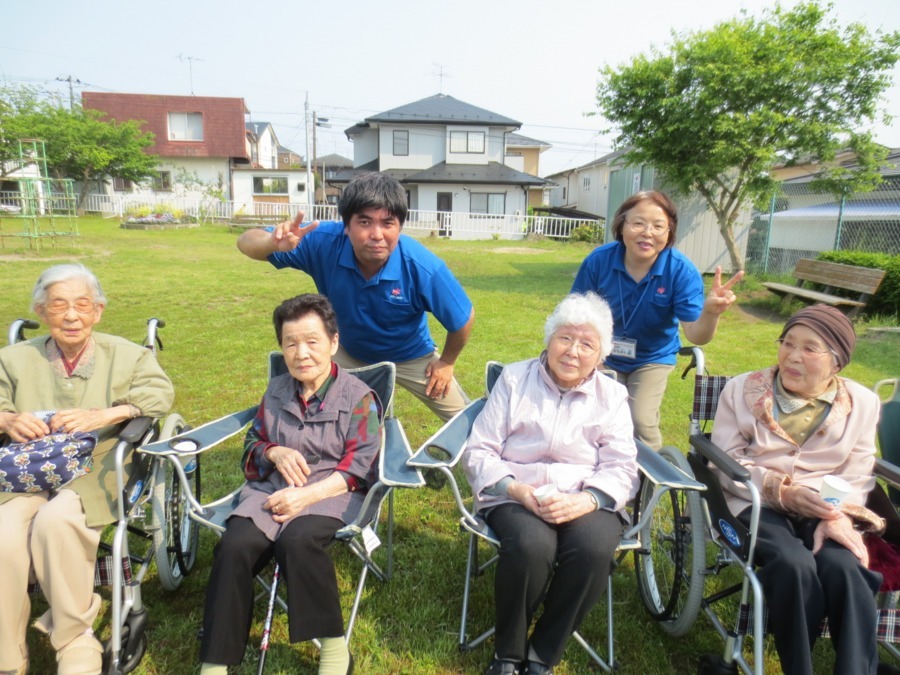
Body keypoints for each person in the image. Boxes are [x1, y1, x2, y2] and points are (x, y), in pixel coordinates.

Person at [0, 263, 174, 675]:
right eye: (58, 306)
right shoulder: (14, 358)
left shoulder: (127, 355)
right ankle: (8, 654)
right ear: (41, 312)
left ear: (98, 311)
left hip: (96, 467)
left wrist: (107, 414)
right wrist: (8, 421)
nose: (71, 316)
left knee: (55, 523)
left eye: (82, 305)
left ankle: (75, 642)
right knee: (4, 533)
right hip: (28, 468)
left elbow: (159, 395)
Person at [198, 294, 380, 675]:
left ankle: (333, 648)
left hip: (333, 493)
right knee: (235, 545)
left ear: (333, 342)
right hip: (273, 488)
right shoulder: (277, 390)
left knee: (298, 541)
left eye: (312, 341)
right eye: (290, 343)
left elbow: (360, 468)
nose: (301, 353)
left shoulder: (359, 398)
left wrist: (306, 496)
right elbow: (253, 445)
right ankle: (215, 661)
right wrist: (274, 453)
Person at [462, 292, 639, 675]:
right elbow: (479, 450)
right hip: (515, 491)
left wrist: (589, 500)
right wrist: (514, 489)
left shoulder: (612, 396)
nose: (573, 351)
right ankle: (508, 654)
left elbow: (623, 466)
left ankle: (543, 653)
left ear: (601, 355)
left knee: (593, 549)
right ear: (549, 338)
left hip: (585, 495)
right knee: (530, 544)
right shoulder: (513, 379)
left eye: (587, 343)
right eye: (565, 338)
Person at [712, 304, 884, 675]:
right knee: (793, 564)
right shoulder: (742, 390)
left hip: (825, 508)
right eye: (787, 343)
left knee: (845, 568)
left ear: (837, 362)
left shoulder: (863, 404)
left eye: (809, 348)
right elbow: (724, 461)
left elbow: (859, 470)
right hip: (753, 502)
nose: (792, 356)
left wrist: (837, 516)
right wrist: (781, 491)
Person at [237, 171, 475, 422]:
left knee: (468, 424)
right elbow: (246, 241)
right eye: (364, 222)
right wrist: (272, 243)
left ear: (400, 227)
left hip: (411, 355)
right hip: (347, 352)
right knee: (310, 413)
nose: (377, 234)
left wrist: (447, 363)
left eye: (388, 223)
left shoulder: (422, 266)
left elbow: (463, 318)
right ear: (346, 226)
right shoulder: (322, 241)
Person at [571, 190, 743, 449]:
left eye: (658, 226)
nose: (647, 232)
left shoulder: (681, 271)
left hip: (652, 357)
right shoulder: (599, 261)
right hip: (603, 353)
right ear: (622, 226)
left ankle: (652, 480)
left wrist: (710, 312)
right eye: (638, 223)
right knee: (594, 414)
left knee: (640, 419)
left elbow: (697, 335)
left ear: (669, 232)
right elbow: (577, 313)